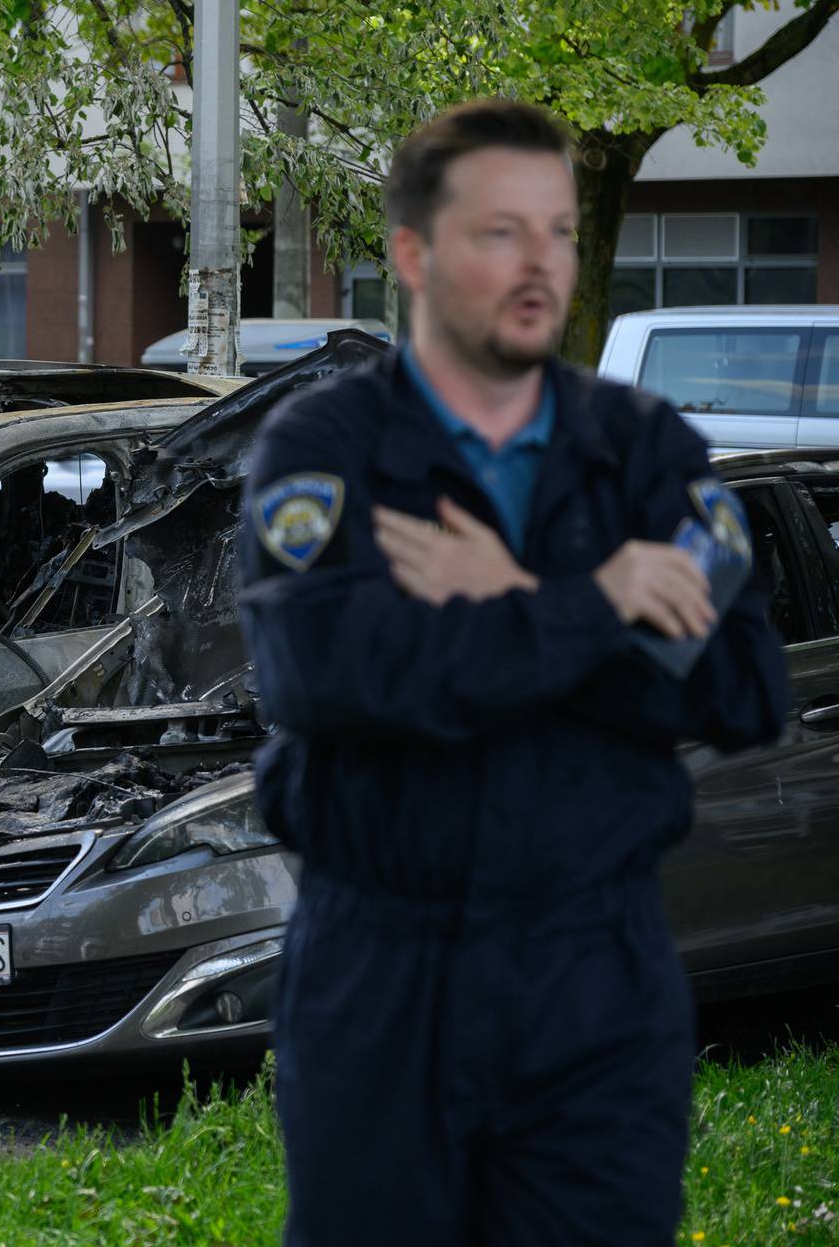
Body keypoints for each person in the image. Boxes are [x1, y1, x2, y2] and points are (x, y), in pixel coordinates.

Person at [237, 99, 787, 1245]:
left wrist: (503, 603)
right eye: (501, 233)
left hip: (593, 973)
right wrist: (593, 602)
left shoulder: (642, 451)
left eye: (560, 231)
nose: (541, 263)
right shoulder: (325, 449)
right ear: (413, 254)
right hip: (385, 971)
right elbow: (328, 674)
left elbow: (743, 689)